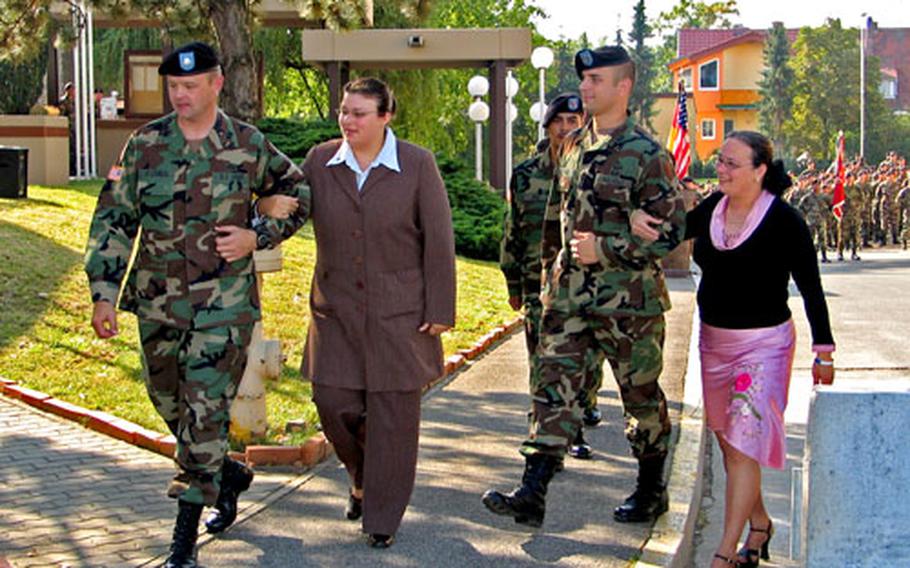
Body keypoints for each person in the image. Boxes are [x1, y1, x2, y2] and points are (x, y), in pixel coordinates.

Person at [84, 41, 310, 568]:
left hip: (224, 309)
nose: (180, 95)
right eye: (173, 87)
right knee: (172, 407)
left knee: (205, 416)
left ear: (216, 84)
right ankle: (228, 474)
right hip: (158, 305)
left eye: (190, 86)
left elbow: (300, 192)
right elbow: (114, 221)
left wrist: (258, 233)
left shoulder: (247, 144)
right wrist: (103, 293)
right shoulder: (145, 146)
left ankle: (182, 547)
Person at [482, 45, 687, 528]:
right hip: (569, 296)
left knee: (639, 397)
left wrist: (609, 247)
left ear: (624, 87)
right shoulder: (573, 147)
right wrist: (549, 278)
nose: (586, 87)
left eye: (597, 80)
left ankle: (651, 487)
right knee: (551, 388)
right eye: (585, 79)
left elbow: (674, 232)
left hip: (628, 304)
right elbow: (558, 218)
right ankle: (532, 492)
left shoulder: (646, 155)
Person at [259, 77, 456, 548]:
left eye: (359, 113)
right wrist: (265, 206)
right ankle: (362, 475)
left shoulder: (416, 164)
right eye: (344, 111)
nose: (348, 121)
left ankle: (382, 518)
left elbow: (439, 239)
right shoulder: (320, 162)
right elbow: (290, 211)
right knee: (334, 404)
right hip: (336, 313)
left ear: (386, 116)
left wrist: (441, 307)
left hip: (401, 314)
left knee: (393, 418)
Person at [631, 130, 835, 567]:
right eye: (720, 160)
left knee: (743, 447)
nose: (720, 169)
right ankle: (759, 524)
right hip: (715, 344)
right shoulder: (712, 209)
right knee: (729, 445)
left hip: (764, 348)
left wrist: (824, 350)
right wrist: (640, 224)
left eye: (730, 164)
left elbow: (811, 288)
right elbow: (672, 235)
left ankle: (724, 554)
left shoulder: (785, 221)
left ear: (760, 171)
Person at [500, 92, 604, 463]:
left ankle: (577, 414)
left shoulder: (594, 173)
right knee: (543, 364)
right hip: (539, 288)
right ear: (548, 126)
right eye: (559, 121)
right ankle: (546, 439)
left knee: (586, 366)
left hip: (586, 289)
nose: (566, 129)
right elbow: (512, 231)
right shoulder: (526, 175)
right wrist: (513, 282)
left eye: (573, 122)